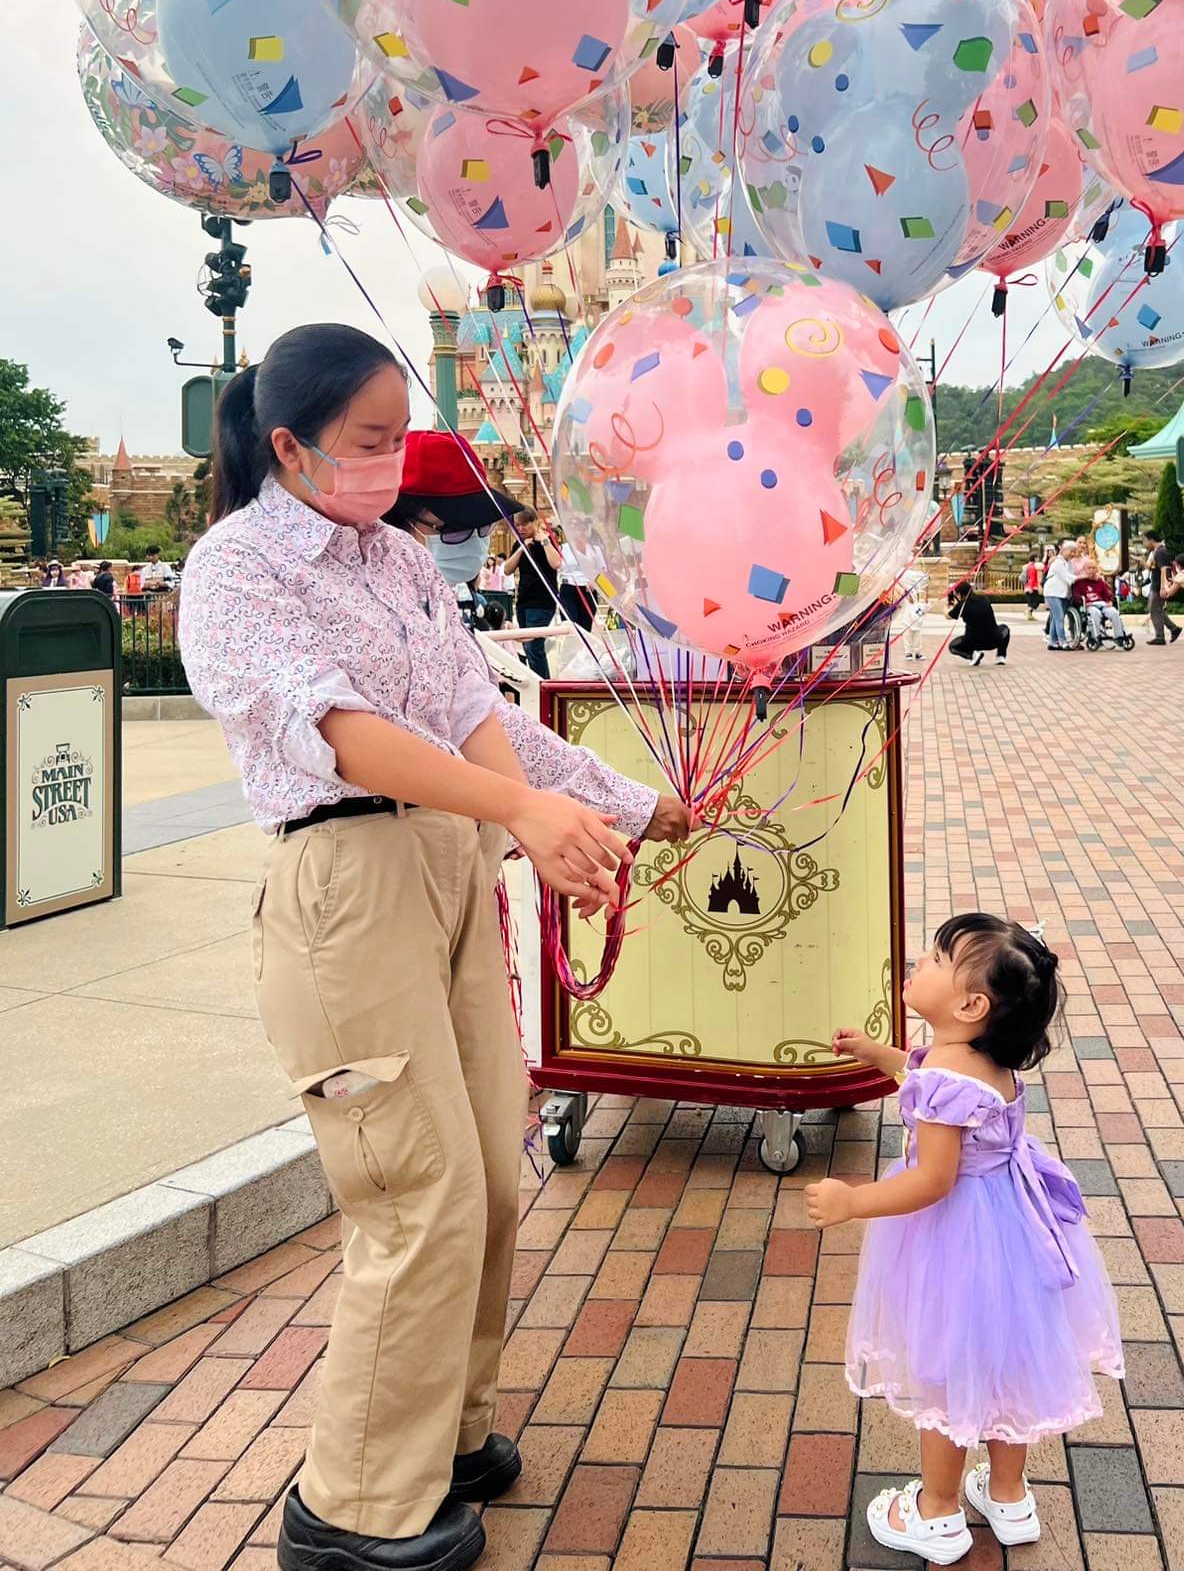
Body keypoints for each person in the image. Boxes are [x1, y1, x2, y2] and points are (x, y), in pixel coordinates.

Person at [177, 324, 689, 1571]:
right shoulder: (233, 568)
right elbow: (340, 729)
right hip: (350, 879)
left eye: (398, 431)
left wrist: (604, 806)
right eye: (365, 440)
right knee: (416, 1189)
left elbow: (470, 706)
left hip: (452, 862)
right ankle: (353, 1503)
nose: (390, 459)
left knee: (495, 1176)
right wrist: (521, 811)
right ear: (288, 446)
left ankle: (442, 1431)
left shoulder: (400, 558)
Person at [805, 915, 1122, 1564]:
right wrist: (878, 1054)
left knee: (948, 1369)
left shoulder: (951, 1071)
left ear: (971, 1004)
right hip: (1014, 1225)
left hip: (959, 1235)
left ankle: (938, 1513)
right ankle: (1008, 1496)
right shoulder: (982, 1060)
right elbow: (928, 1081)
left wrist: (854, 1201)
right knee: (1008, 1360)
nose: (918, 964)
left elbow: (933, 1179)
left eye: (934, 959)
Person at [505, 505, 561, 680]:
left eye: (524, 525)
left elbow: (556, 563)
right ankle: (540, 682)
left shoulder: (547, 540)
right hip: (523, 602)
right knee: (529, 648)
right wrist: (522, 548)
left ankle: (542, 685)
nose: (520, 528)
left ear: (534, 522)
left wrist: (544, 541)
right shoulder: (519, 544)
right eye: (517, 525)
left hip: (542, 602)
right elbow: (507, 569)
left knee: (533, 646)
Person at [947, 580, 1011, 667]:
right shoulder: (984, 599)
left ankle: (973, 655)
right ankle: (1000, 656)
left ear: (959, 594)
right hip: (993, 639)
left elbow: (948, 616)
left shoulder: (962, 606)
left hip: (973, 643)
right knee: (1005, 628)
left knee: (952, 646)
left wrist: (946, 607)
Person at [1143, 532, 1181, 648]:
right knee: (1156, 609)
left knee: (1154, 609)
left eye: (1145, 541)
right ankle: (1173, 628)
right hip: (1155, 584)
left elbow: (1164, 569)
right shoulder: (1156, 551)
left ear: (1151, 540)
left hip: (1158, 586)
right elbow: (1155, 567)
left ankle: (1160, 636)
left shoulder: (1160, 552)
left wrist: (1162, 587)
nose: (1145, 544)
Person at [1042, 544, 1075, 652]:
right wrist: (1082, 577)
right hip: (1053, 593)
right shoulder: (1058, 563)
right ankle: (1062, 642)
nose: (1073, 554)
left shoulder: (1068, 563)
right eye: (1071, 551)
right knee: (1059, 617)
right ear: (1063, 550)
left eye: (1074, 552)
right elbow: (1067, 577)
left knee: (1055, 618)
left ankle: (1052, 641)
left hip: (1062, 594)